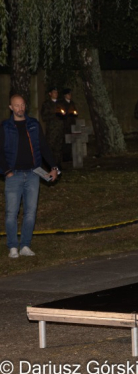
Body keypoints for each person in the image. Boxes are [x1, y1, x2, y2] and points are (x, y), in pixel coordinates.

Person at [1, 95, 59, 258]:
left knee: (30, 212)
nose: (20, 108)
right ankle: (12, 246)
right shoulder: (5, 126)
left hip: (33, 173)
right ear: (11, 108)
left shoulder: (33, 124)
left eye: (22, 105)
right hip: (14, 175)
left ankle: (25, 245)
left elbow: (44, 147)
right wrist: (7, 171)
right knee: (12, 212)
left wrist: (54, 167)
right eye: (16, 106)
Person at [40, 86, 65, 169]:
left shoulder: (60, 103)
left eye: (57, 92)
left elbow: (65, 114)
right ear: (50, 94)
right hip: (51, 129)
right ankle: (49, 164)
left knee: (59, 147)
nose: (56, 94)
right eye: (54, 92)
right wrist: (54, 114)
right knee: (50, 147)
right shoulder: (47, 104)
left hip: (60, 128)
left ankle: (58, 164)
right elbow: (44, 117)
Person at [60, 88, 78, 162]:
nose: (70, 95)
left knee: (72, 140)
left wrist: (75, 113)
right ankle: (65, 157)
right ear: (65, 95)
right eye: (68, 94)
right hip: (65, 124)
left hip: (72, 124)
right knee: (65, 140)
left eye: (70, 94)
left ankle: (70, 156)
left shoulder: (72, 103)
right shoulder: (62, 103)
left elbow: (75, 112)